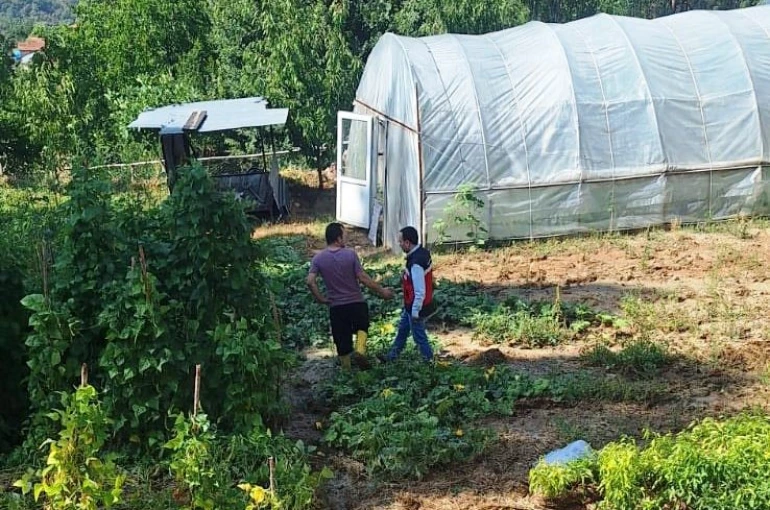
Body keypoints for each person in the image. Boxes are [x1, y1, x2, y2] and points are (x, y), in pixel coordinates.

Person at [307, 222, 394, 370]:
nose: (346, 239)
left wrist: (321, 299)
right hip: (356, 302)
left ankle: (347, 372)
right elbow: (363, 278)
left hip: (336, 306)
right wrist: (382, 291)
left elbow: (310, 281)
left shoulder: (318, 259)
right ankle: (360, 351)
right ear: (338, 239)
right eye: (344, 235)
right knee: (362, 326)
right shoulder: (350, 254)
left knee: (342, 339)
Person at [381, 226, 436, 363]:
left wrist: (415, 311)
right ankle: (391, 357)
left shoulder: (416, 263)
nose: (399, 244)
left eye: (400, 241)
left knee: (419, 337)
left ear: (407, 242)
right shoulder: (422, 253)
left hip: (415, 307)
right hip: (411, 305)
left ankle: (430, 363)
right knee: (402, 330)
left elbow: (419, 290)